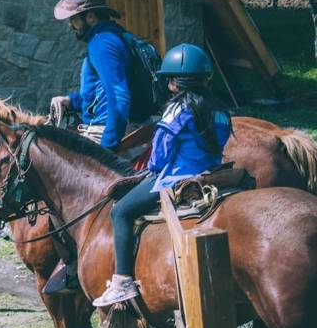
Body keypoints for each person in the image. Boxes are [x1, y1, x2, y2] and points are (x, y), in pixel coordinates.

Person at [92, 43, 232, 307]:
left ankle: (122, 280)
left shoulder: (177, 108)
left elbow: (160, 155)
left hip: (174, 179)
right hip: (210, 176)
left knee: (120, 211)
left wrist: (151, 168)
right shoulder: (221, 111)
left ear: (172, 83)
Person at [51, 0, 131, 151]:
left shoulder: (101, 43)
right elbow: (100, 95)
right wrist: (72, 102)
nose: (71, 25)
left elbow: (119, 96)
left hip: (101, 133)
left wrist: (107, 149)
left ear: (91, 16)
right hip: (104, 128)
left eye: (74, 19)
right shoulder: (112, 36)